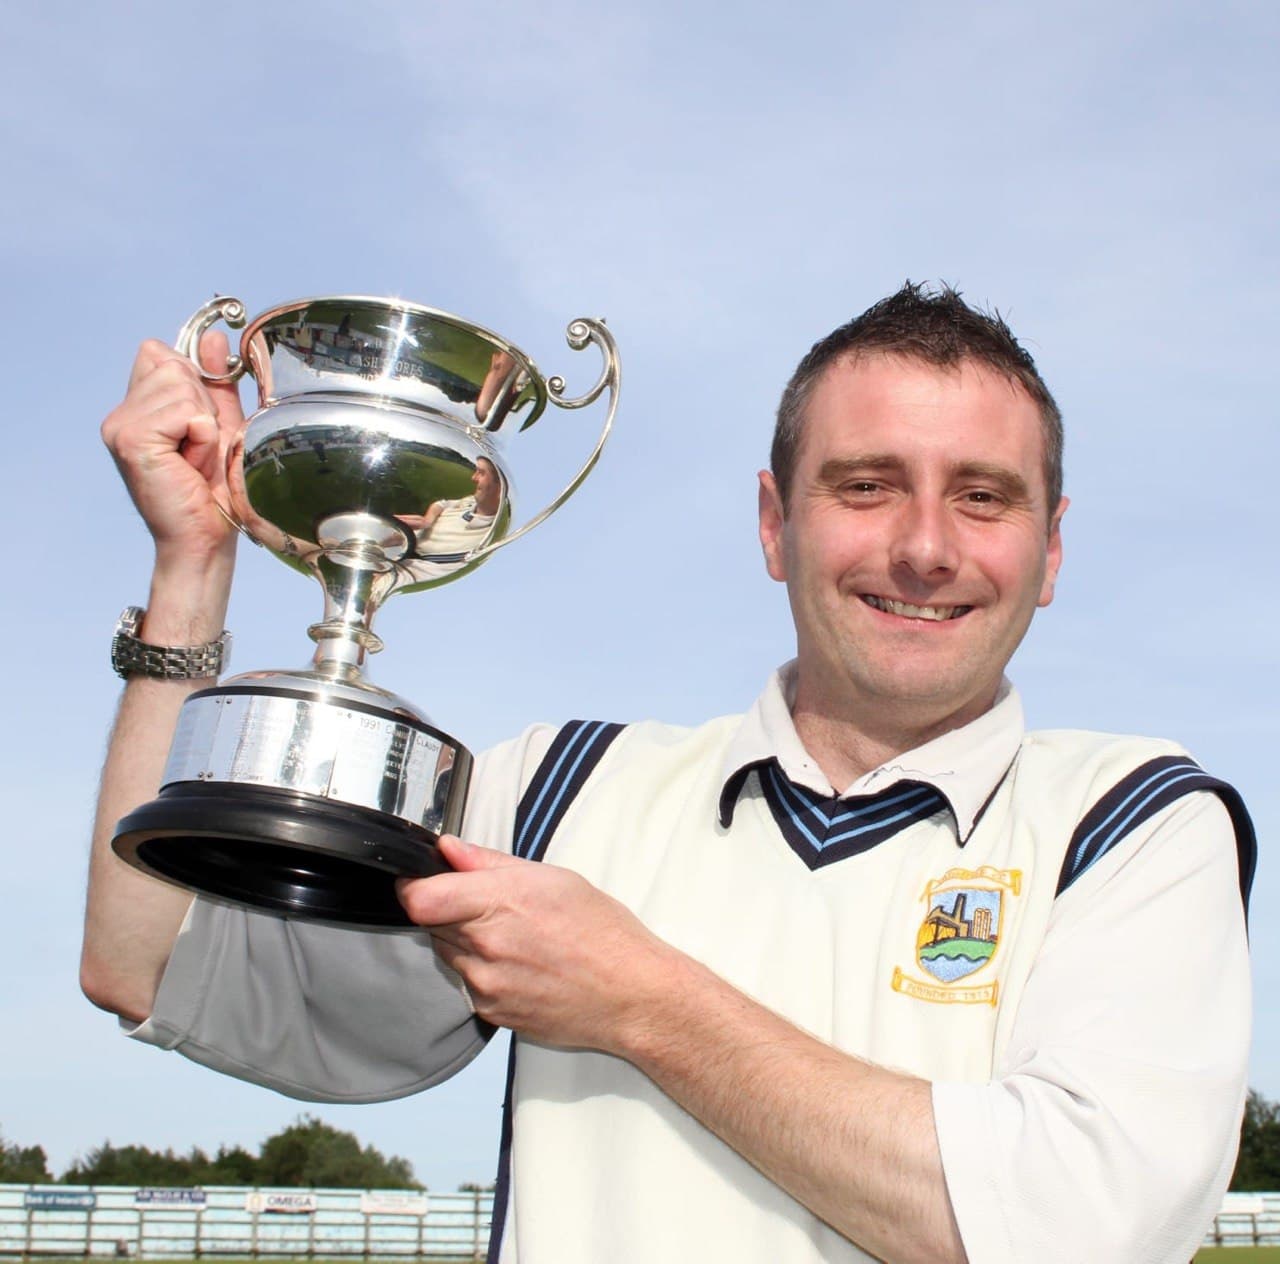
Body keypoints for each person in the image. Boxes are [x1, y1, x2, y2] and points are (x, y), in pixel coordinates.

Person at [83, 284, 1255, 1264]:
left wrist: (639, 1001)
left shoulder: (1133, 819)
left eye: (982, 497)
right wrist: (191, 568)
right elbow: (146, 961)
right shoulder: (558, 789)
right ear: (770, 524)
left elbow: (1074, 1223)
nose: (924, 545)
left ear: (1046, 550)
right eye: (863, 484)